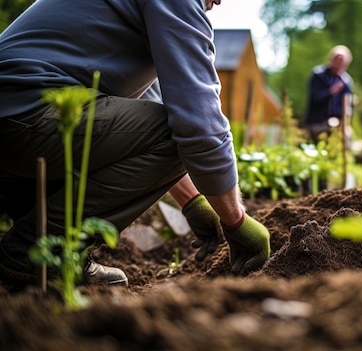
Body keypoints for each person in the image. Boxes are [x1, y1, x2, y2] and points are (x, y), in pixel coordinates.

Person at [0, 0, 271, 287]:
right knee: (179, 130)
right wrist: (236, 220)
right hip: (25, 113)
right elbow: (197, 126)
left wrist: (193, 201)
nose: (220, 0)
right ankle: (38, 250)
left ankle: (36, 234)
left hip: (16, 115)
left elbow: (144, 111)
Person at [303, 45, 354, 144]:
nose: (339, 62)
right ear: (331, 58)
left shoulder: (346, 81)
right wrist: (331, 92)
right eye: (337, 58)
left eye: (342, 60)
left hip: (339, 123)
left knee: (347, 138)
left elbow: (349, 103)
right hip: (318, 121)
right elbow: (315, 97)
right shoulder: (318, 75)